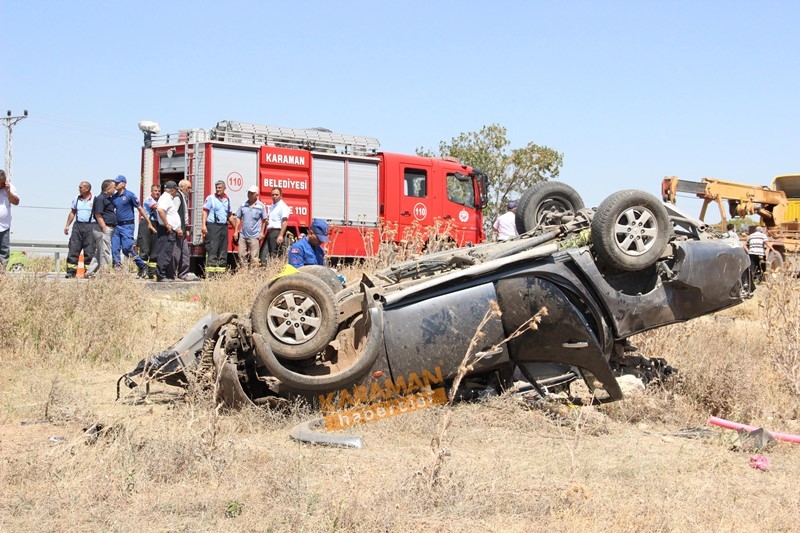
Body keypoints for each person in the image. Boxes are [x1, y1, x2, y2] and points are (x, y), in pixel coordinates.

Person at [111, 175, 153, 277]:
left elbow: (140, 209)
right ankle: (118, 270)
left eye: (118, 183)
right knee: (115, 249)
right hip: (117, 226)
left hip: (127, 226)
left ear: (124, 184)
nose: (116, 185)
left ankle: (142, 265)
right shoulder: (114, 197)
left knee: (126, 249)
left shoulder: (130, 195)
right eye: (115, 183)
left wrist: (149, 222)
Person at [63, 181, 96, 278]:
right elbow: (72, 212)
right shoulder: (76, 199)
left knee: (89, 250)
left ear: (87, 189)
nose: (79, 189)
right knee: (74, 248)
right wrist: (67, 225)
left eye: (81, 187)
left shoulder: (94, 199)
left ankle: (89, 272)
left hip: (90, 226)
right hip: (78, 226)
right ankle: (71, 271)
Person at [86, 179, 117, 277]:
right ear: (108, 189)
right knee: (105, 251)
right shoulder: (100, 199)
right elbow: (98, 213)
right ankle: (105, 273)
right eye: (113, 188)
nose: (115, 189)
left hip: (107, 227)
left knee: (100, 251)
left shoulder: (108, 198)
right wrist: (104, 226)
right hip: (103, 228)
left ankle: (90, 272)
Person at [201, 180, 232, 276]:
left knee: (223, 250)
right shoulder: (211, 198)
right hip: (213, 226)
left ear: (224, 188)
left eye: (220, 188)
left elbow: (229, 215)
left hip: (223, 227)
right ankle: (210, 275)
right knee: (213, 249)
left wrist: (236, 229)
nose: (218, 190)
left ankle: (220, 275)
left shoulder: (227, 199)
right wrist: (203, 225)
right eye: (216, 188)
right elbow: (205, 212)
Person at [233, 185, 267, 267]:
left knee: (254, 257)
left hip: (254, 236)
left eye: (252, 193)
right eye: (249, 193)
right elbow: (238, 218)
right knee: (241, 255)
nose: (249, 194)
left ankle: (253, 275)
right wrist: (236, 231)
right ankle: (244, 272)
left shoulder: (261, 206)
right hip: (243, 235)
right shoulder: (243, 205)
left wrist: (262, 233)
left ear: (256, 195)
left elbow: (265, 220)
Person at [155, 181, 182, 281]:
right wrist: (167, 224)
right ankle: (161, 275)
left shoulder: (167, 198)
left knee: (168, 252)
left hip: (170, 230)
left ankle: (165, 274)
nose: (176, 193)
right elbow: (160, 210)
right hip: (166, 230)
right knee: (164, 252)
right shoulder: (166, 198)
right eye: (176, 191)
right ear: (172, 190)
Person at [260, 187, 290, 263]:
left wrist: (280, 235)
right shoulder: (273, 205)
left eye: (276, 195)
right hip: (270, 232)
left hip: (276, 232)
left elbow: (285, 222)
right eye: (273, 195)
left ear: (281, 195)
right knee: (265, 254)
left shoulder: (282, 206)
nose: (274, 196)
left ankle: (275, 270)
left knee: (274, 254)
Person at [137, 183, 161, 279]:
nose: (157, 193)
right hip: (146, 223)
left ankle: (152, 273)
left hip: (156, 223)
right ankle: (142, 271)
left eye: (159, 191)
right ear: (151, 191)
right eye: (155, 191)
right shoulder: (149, 200)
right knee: (145, 249)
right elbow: (157, 208)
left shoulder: (160, 200)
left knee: (155, 250)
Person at [0, 169, 20, 271]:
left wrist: (8, 192)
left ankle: (2, 271)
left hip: (4, 226)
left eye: (2, 184)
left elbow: (16, 202)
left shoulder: (10, 188)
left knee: (4, 250)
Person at [174, 179, 192, 280]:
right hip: (178, 230)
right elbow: (174, 213)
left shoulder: (183, 197)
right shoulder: (178, 197)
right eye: (188, 188)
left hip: (183, 229)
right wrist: (178, 228)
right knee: (176, 253)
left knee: (185, 253)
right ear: (182, 188)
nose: (190, 190)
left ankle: (183, 274)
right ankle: (172, 274)